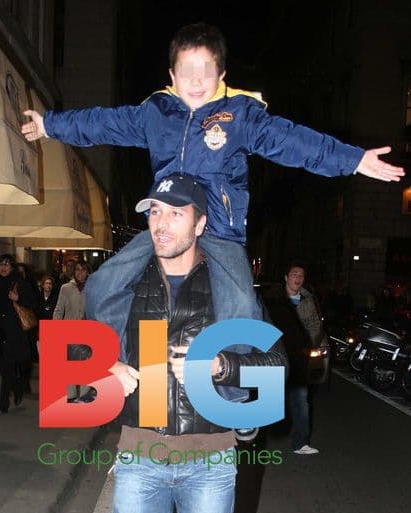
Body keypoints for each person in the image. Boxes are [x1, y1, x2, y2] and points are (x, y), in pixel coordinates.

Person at [21, 21, 404, 354]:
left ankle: (237, 396)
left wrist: (351, 159)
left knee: (239, 303)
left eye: (206, 70)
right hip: (169, 225)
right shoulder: (156, 114)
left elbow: (291, 141)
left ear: (222, 73)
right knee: (104, 283)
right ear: (171, 75)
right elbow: (105, 123)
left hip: (219, 229)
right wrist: (50, 126)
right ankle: (123, 361)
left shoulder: (239, 114)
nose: (196, 80)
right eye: (186, 70)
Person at [99, 173, 286, 513]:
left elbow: (273, 367)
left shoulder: (231, 290)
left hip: (210, 455)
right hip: (142, 447)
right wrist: (104, 365)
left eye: (175, 213)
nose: (160, 222)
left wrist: (224, 365)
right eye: (154, 211)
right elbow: (80, 343)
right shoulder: (127, 282)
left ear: (200, 224)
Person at [264, 264, 326, 455]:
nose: (297, 278)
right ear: (286, 277)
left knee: (300, 399)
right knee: (266, 398)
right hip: (274, 356)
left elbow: (316, 326)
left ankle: (300, 443)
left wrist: (308, 344)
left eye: (301, 275)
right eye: (294, 274)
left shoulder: (308, 301)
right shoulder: (273, 300)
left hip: (298, 358)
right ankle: (255, 438)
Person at [0, 254, 38, 413]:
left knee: (10, 364)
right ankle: (17, 387)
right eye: (1, 264)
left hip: (15, 331)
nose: (3, 267)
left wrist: (18, 298)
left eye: (7, 264)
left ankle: (4, 404)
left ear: (12, 267)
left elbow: (33, 302)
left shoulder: (19, 284)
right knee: (3, 367)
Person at [52, 259, 94, 403]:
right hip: (68, 329)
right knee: (69, 362)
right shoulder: (66, 288)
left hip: (88, 330)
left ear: (87, 271)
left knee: (85, 362)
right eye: (77, 270)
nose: (80, 273)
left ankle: (84, 393)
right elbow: (59, 309)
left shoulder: (93, 287)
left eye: (83, 270)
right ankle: (70, 394)